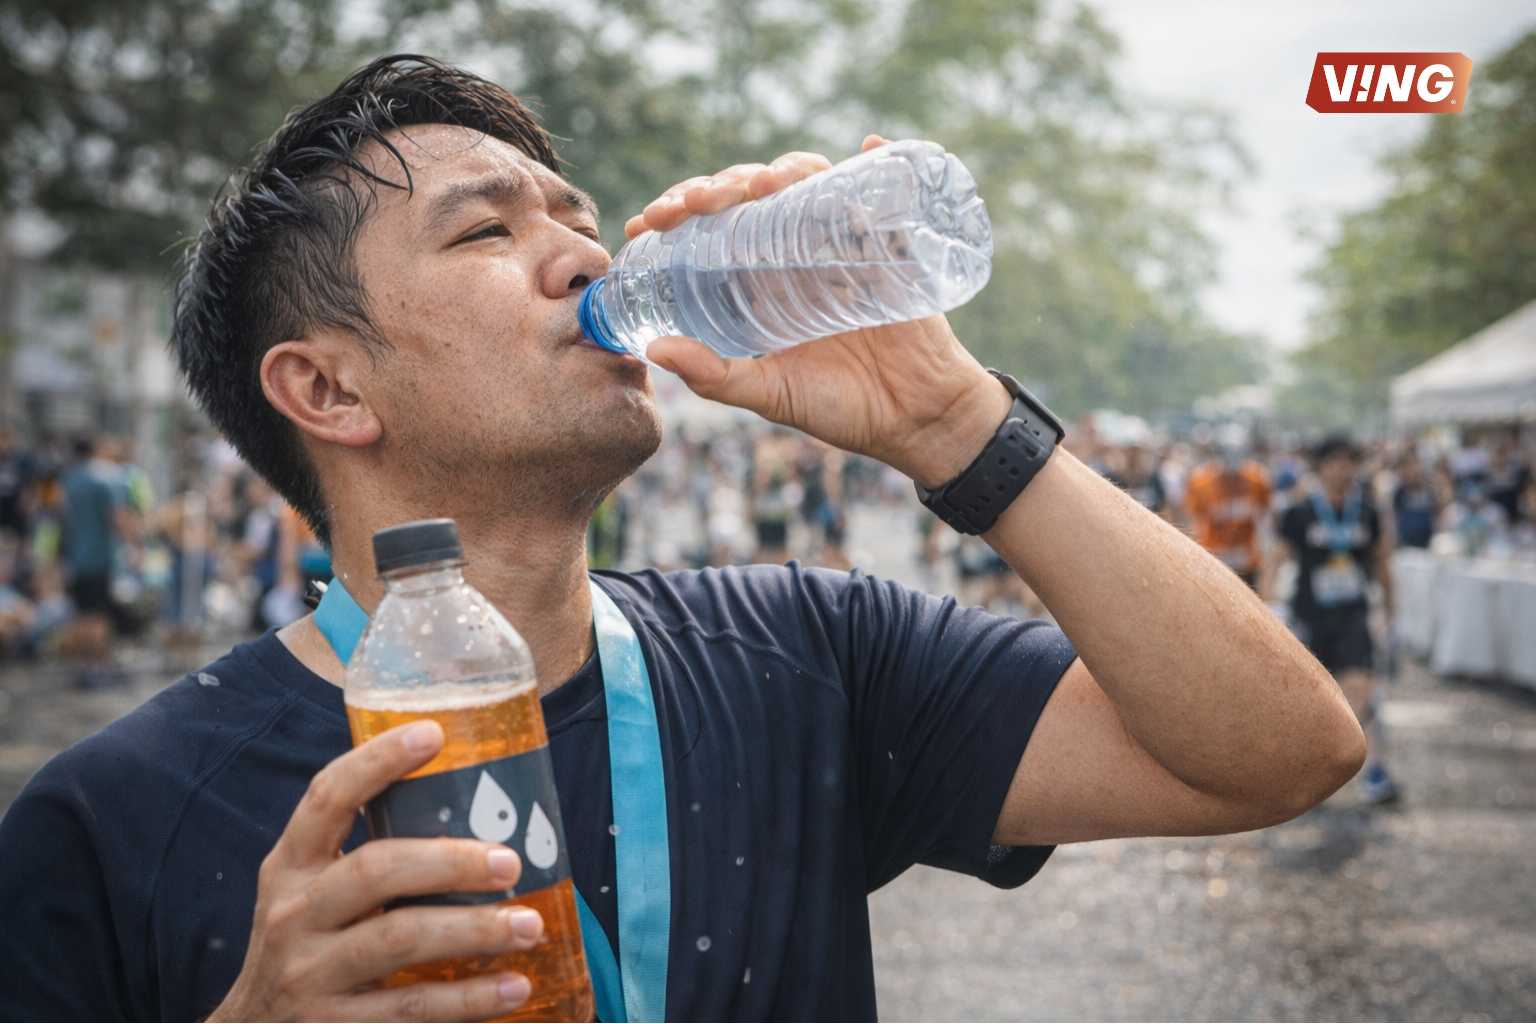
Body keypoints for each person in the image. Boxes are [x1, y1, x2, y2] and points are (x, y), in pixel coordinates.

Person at [0, 56, 1363, 1021]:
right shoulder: (112, 820)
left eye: (577, 220)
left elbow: (1284, 750)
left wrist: (952, 419)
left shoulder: (808, 653)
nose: (587, 258)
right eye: (485, 232)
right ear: (328, 389)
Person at [1279, 436, 1399, 805]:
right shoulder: (1300, 511)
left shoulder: (1367, 511)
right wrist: (1268, 604)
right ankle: (1307, 775)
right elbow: (1276, 557)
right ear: (1322, 466)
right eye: (1336, 461)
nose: (1344, 469)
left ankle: (1369, 770)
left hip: (1353, 615)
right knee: (1310, 700)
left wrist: (1391, 611)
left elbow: (1381, 561)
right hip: (1309, 616)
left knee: (1358, 689)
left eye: (1350, 461)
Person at [58, 436, 129, 688]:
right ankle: (98, 669)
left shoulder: (68, 480)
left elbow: (61, 518)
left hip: (75, 558)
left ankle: (83, 668)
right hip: (100, 557)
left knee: (81, 614)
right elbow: (115, 518)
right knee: (99, 615)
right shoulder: (103, 480)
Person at [1184, 445, 1272, 589]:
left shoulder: (1257, 479)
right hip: (1214, 557)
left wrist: (1265, 560)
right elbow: (1194, 521)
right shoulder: (1201, 481)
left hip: (1246, 559)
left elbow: (1265, 521)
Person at [1391, 452, 1439, 550]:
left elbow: (1437, 514)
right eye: (1407, 468)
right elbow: (1394, 519)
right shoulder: (1399, 493)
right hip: (1406, 545)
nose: (1411, 471)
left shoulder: (1429, 491)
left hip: (1428, 544)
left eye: (1414, 466)